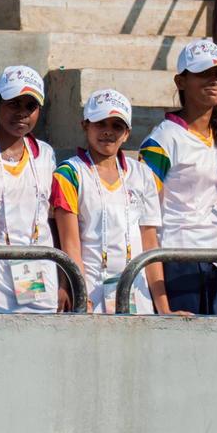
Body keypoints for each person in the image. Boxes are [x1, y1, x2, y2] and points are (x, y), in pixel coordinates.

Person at [139, 41, 217, 315]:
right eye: (203, 73)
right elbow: (146, 227)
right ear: (181, 81)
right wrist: (163, 306)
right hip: (179, 266)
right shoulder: (161, 141)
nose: (214, 80)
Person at [51, 90, 173, 315]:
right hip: (91, 293)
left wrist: (164, 309)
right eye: (100, 123)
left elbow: (150, 244)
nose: (108, 131)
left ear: (127, 134)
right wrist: (82, 298)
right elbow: (70, 244)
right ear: (85, 125)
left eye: (117, 126)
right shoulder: (69, 173)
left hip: (137, 295)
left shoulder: (143, 174)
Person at [0, 65, 65, 313]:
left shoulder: (45, 154)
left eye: (30, 106)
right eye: (14, 104)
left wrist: (64, 280)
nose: (22, 113)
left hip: (38, 271)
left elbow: (53, 219)